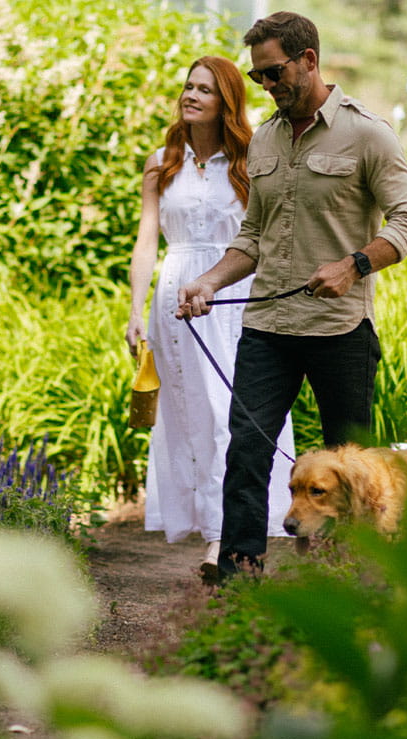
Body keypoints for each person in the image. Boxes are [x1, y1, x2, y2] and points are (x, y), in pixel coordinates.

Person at [177, 12, 407, 579]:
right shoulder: (263, 140)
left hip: (340, 329)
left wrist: (353, 265)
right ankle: (240, 572)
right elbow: (253, 238)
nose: (266, 85)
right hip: (268, 326)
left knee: (354, 469)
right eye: (258, 76)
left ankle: (348, 573)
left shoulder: (368, 133)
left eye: (274, 72)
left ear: (308, 60)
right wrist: (210, 283)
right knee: (245, 450)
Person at [126, 56, 294, 579]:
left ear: (227, 101)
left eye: (205, 89)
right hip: (173, 299)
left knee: (232, 412)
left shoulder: (250, 158)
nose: (191, 96)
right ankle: (213, 534)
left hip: (231, 295)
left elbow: (266, 236)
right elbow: (146, 240)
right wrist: (135, 310)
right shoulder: (162, 160)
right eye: (188, 87)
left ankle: (229, 538)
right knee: (188, 417)